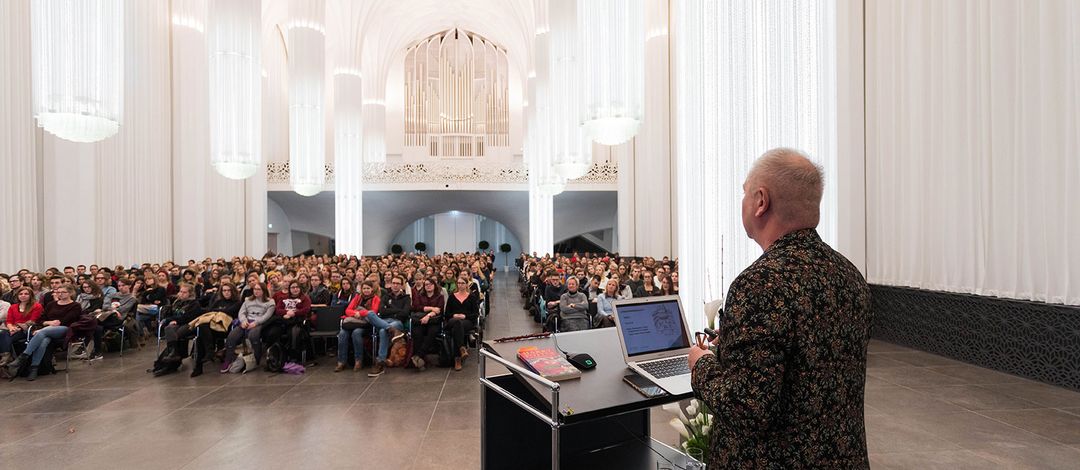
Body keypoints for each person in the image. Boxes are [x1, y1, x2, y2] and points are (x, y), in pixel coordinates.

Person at [687, 148, 872, 468]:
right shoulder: (849, 275)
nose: (742, 201)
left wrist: (701, 364)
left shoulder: (760, 282)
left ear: (761, 201)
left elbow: (748, 407)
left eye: (745, 192)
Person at [7, 284, 81, 381]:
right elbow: (40, 320)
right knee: (43, 341)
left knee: (42, 332)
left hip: (65, 329)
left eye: (63, 292)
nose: (60, 294)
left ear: (70, 293)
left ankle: (23, 357)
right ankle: (34, 368)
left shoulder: (75, 305)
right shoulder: (51, 304)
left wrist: (43, 328)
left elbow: (64, 320)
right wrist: (48, 322)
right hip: (47, 330)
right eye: (58, 292)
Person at [222, 282, 275, 371]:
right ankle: (228, 360)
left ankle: (256, 358)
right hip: (246, 321)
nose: (256, 291)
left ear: (264, 291)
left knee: (253, 335)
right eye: (255, 289)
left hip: (259, 323)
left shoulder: (270, 302)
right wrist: (243, 321)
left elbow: (267, 316)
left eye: (259, 289)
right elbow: (241, 312)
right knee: (232, 336)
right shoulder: (248, 300)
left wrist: (256, 323)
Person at [155, 283, 204, 377]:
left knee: (177, 333)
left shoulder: (194, 303)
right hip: (177, 323)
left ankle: (173, 356)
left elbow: (188, 317)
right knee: (169, 328)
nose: (181, 294)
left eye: (184, 292)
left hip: (189, 324)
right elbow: (172, 314)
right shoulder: (177, 302)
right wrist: (171, 320)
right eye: (180, 292)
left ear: (190, 294)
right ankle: (174, 352)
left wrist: (174, 320)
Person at [443, 276, 479, 371]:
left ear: (467, 284)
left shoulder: (471, 297)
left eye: (462, 283)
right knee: (457, 323)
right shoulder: (452, 296)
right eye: (458, 283)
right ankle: (462, 349)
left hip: (466, 321)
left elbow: (475, 314)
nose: (460, 285)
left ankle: (457, 358)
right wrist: (454, 315)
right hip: (453, 320)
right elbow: (447, 314)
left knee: (457, 327)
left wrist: (465, 316)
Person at [409, 276, 444, 371]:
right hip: (420, 320)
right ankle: (421, 360)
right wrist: (431, 308)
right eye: (426, 285)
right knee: (417, 333)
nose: (428, 286)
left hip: (433, 321)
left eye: (430, 284)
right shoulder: (420, 296)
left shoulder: (439, 296)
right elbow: (416, 307)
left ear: (434, 285)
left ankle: (418, 356)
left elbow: (439, 310)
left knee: (432, 332)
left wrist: (428, 316)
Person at [1, 287, 43, 366]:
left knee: (5, 336)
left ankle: (7, 357)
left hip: (28, 330)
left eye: (26, 294)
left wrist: (18, 327)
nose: (23, 296)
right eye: (21, 294)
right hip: (13, 329)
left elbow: (33, 321)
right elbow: (9, 321)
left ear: (31, 295)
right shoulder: (13, 307)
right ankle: (6, 356)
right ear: (17, 296)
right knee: (3, 334)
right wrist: (11, 328)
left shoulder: (37, 306)